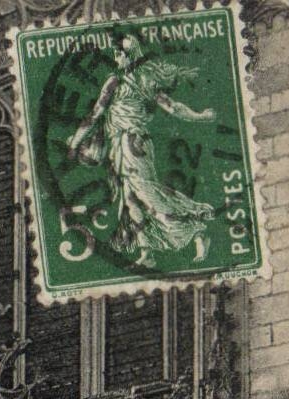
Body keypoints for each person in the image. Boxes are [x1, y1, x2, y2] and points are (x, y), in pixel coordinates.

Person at [67, 35, 216, 267]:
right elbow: (173, 107)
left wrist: (76, 143)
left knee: (148, 195)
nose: (116, 58)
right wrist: (200, 116)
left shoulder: (126, 82)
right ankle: (147, 252)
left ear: (129, 55)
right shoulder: (136, 80)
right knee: (130, 200)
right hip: (122, 145)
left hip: (132, 143)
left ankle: (196, 231)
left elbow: (95, 114)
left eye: (119, 54)